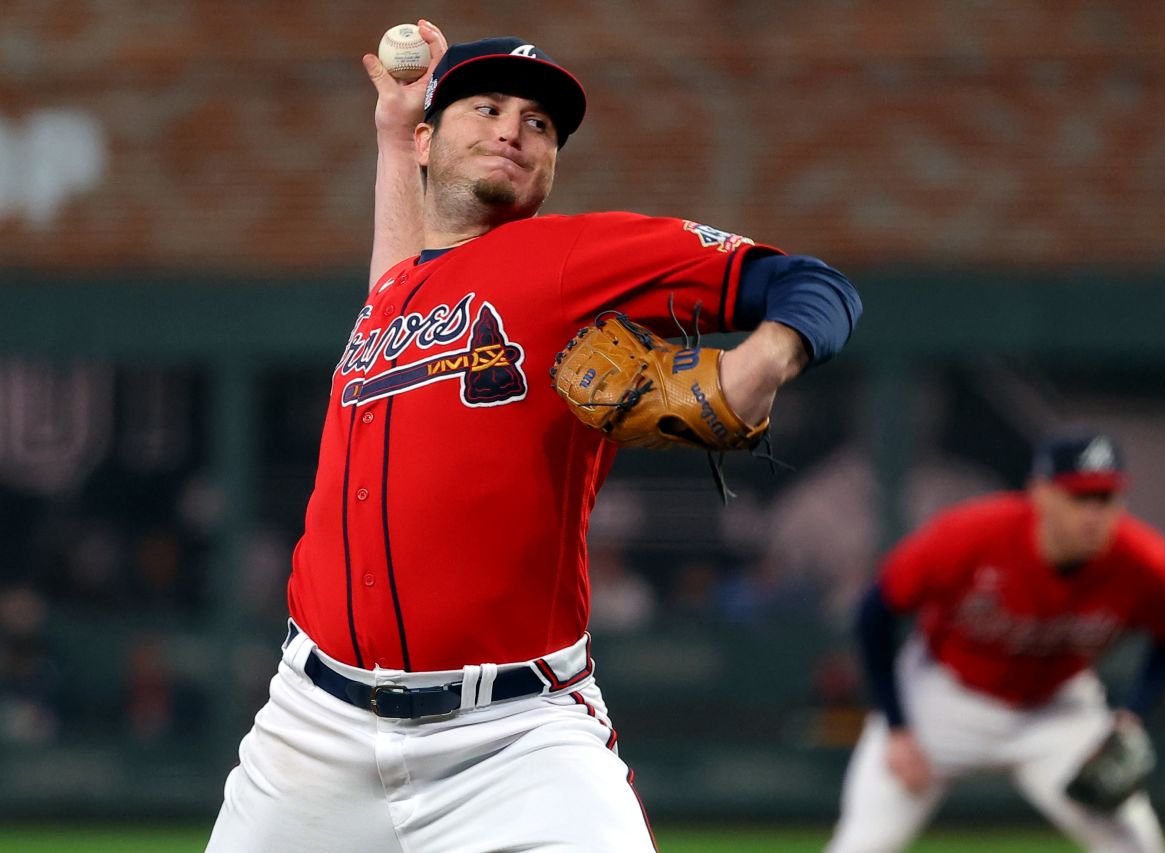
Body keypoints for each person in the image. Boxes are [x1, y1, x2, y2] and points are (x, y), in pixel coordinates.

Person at [206, 20, 861, 853]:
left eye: (540, 123)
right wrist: (387, 138)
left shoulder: (573, 258)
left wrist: (761, 361)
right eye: (486, 107)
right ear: (427, 138)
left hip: (514, 738)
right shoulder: (396, 293)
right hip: (313, 726)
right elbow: (401, 269)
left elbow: (813, 283)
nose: (515, 128)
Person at [826, 431, 1165, 853]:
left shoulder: (1144, 561)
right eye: (1079, 498)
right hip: (942, 698)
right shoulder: (970, 534)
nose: (1094, 515)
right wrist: (896, 725)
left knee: (1138, 845)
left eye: (1106, 498)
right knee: (861, 845)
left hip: (1057, 710)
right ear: (1040, 494)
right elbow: (876, 612)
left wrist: (1133, 714)